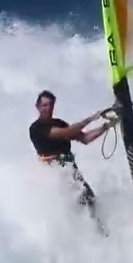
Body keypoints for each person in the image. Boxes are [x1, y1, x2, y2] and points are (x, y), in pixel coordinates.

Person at [28, 90, 119, 236]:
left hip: (71, 170)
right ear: (38, 107)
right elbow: (67, 133)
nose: (48, 108)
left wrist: (106, 126)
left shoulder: (59, 123)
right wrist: (91, 118)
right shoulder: (36, 129)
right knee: (76, 207)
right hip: (55, 174)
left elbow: (85, 138)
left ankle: (104, 238)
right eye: (44, 105)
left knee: (91, 201)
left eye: (50, 105)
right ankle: (85, 241)